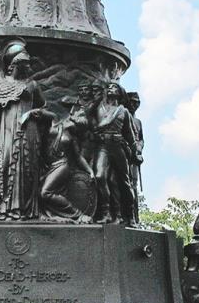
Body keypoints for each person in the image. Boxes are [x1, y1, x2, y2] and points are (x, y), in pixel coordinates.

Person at [0, 40, 48, 220]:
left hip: (28, 128)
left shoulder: (32, 85)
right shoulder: (1, 84)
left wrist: (33, 113)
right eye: (24, 64)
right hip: (7, 128)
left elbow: (43, 105)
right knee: (4, 164)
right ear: (14, 65)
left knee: (26, 167)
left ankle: (21, 210)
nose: (28, 67)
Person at [92, 80, 137, 226]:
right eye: (109, 87)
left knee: (123, 182)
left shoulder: (123, 111)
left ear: (119, 92)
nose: (110, 88)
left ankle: (129, 215)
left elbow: (130, 135)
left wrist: (135, 152)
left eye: (114, 87)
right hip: (103, 146)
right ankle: (105, 212)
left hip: (117, 146)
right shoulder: (99, 107)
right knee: (100, 176)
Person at [40, 112, 94, 223]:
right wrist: (32, 113)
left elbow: (78, 157)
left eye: (78, 127)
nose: (74, 126)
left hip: (62, 165)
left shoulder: (72, 137)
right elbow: (43, 113)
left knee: (45, 193)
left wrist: (90, 171)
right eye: (75, 123)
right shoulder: (55, 120)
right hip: (46, 166)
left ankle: (77, 214)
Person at [127, 91, 144, 223]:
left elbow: (141, 139)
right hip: (124, 154)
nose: (134, 105)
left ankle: (134, 217)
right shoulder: (123, 117)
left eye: (137, 102)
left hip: (134, 159)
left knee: (133, 185)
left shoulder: (138, 122)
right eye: (132, 102)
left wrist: (139, 149)